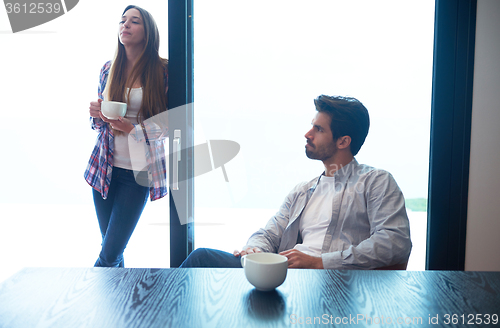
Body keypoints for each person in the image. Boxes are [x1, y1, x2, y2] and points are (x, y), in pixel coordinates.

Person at [180, 95, 411, 270]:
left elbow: (394, 242)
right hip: (287, 273)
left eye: (318, 129)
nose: (308, 134)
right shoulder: (303, 191)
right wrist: (255, 249)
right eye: (312, 126)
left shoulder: (376, 181)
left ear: (343, 141)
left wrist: (320, 262)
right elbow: (269, 234)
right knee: (202, 258)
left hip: (335, 280)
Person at [84, 5, 168, 267]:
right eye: (122, 21)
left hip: (137, 174)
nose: (125, 25)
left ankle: (84, 300)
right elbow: (99, 127)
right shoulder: (108, 69)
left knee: (108, 254)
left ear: (148, 32)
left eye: (134, 21)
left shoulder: (163, 70)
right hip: (105, 169)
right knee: (111, 249)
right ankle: (117, 308)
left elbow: (170, 126)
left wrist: (132, 130)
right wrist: (96, 115)